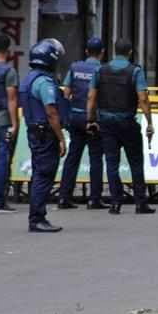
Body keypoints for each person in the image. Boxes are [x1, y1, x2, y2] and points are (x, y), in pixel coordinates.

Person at [86, 37, 154, 215]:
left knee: (111, 163)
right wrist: (149, 122)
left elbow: (91, 97)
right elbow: (143, 99)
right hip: (127, 122)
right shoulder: (135, 71)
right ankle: (140, 203)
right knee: (136, 162)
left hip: (106, 123)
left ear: (114, 51)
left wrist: (91, 119)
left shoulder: (100, 70)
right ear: (130, 52)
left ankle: (115, 203)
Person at [20, 39, 67, 233]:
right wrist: (61, 137)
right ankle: (37, 219)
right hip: (45, 133)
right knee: (44, 175)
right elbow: (51, 112)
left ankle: (37, 216)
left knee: (39, 174)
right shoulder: (44, 81)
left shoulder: (28, 78)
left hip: (34, 131)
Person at [57, 37, 106, 210]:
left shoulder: (75, 67)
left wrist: (67, 115)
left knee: (72, 157)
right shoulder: (102, 70)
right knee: (95, 159)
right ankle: (94, 199)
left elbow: (66, 93)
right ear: (102, 52)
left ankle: (64, 196)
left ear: (86, 51)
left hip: (75, 118)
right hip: (93, 119)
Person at [0, 34, 19, 214]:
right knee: (3, 159)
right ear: (8, 51)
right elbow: (12, 99)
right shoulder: (9, 71)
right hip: (3, 120)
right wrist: (14, 124)